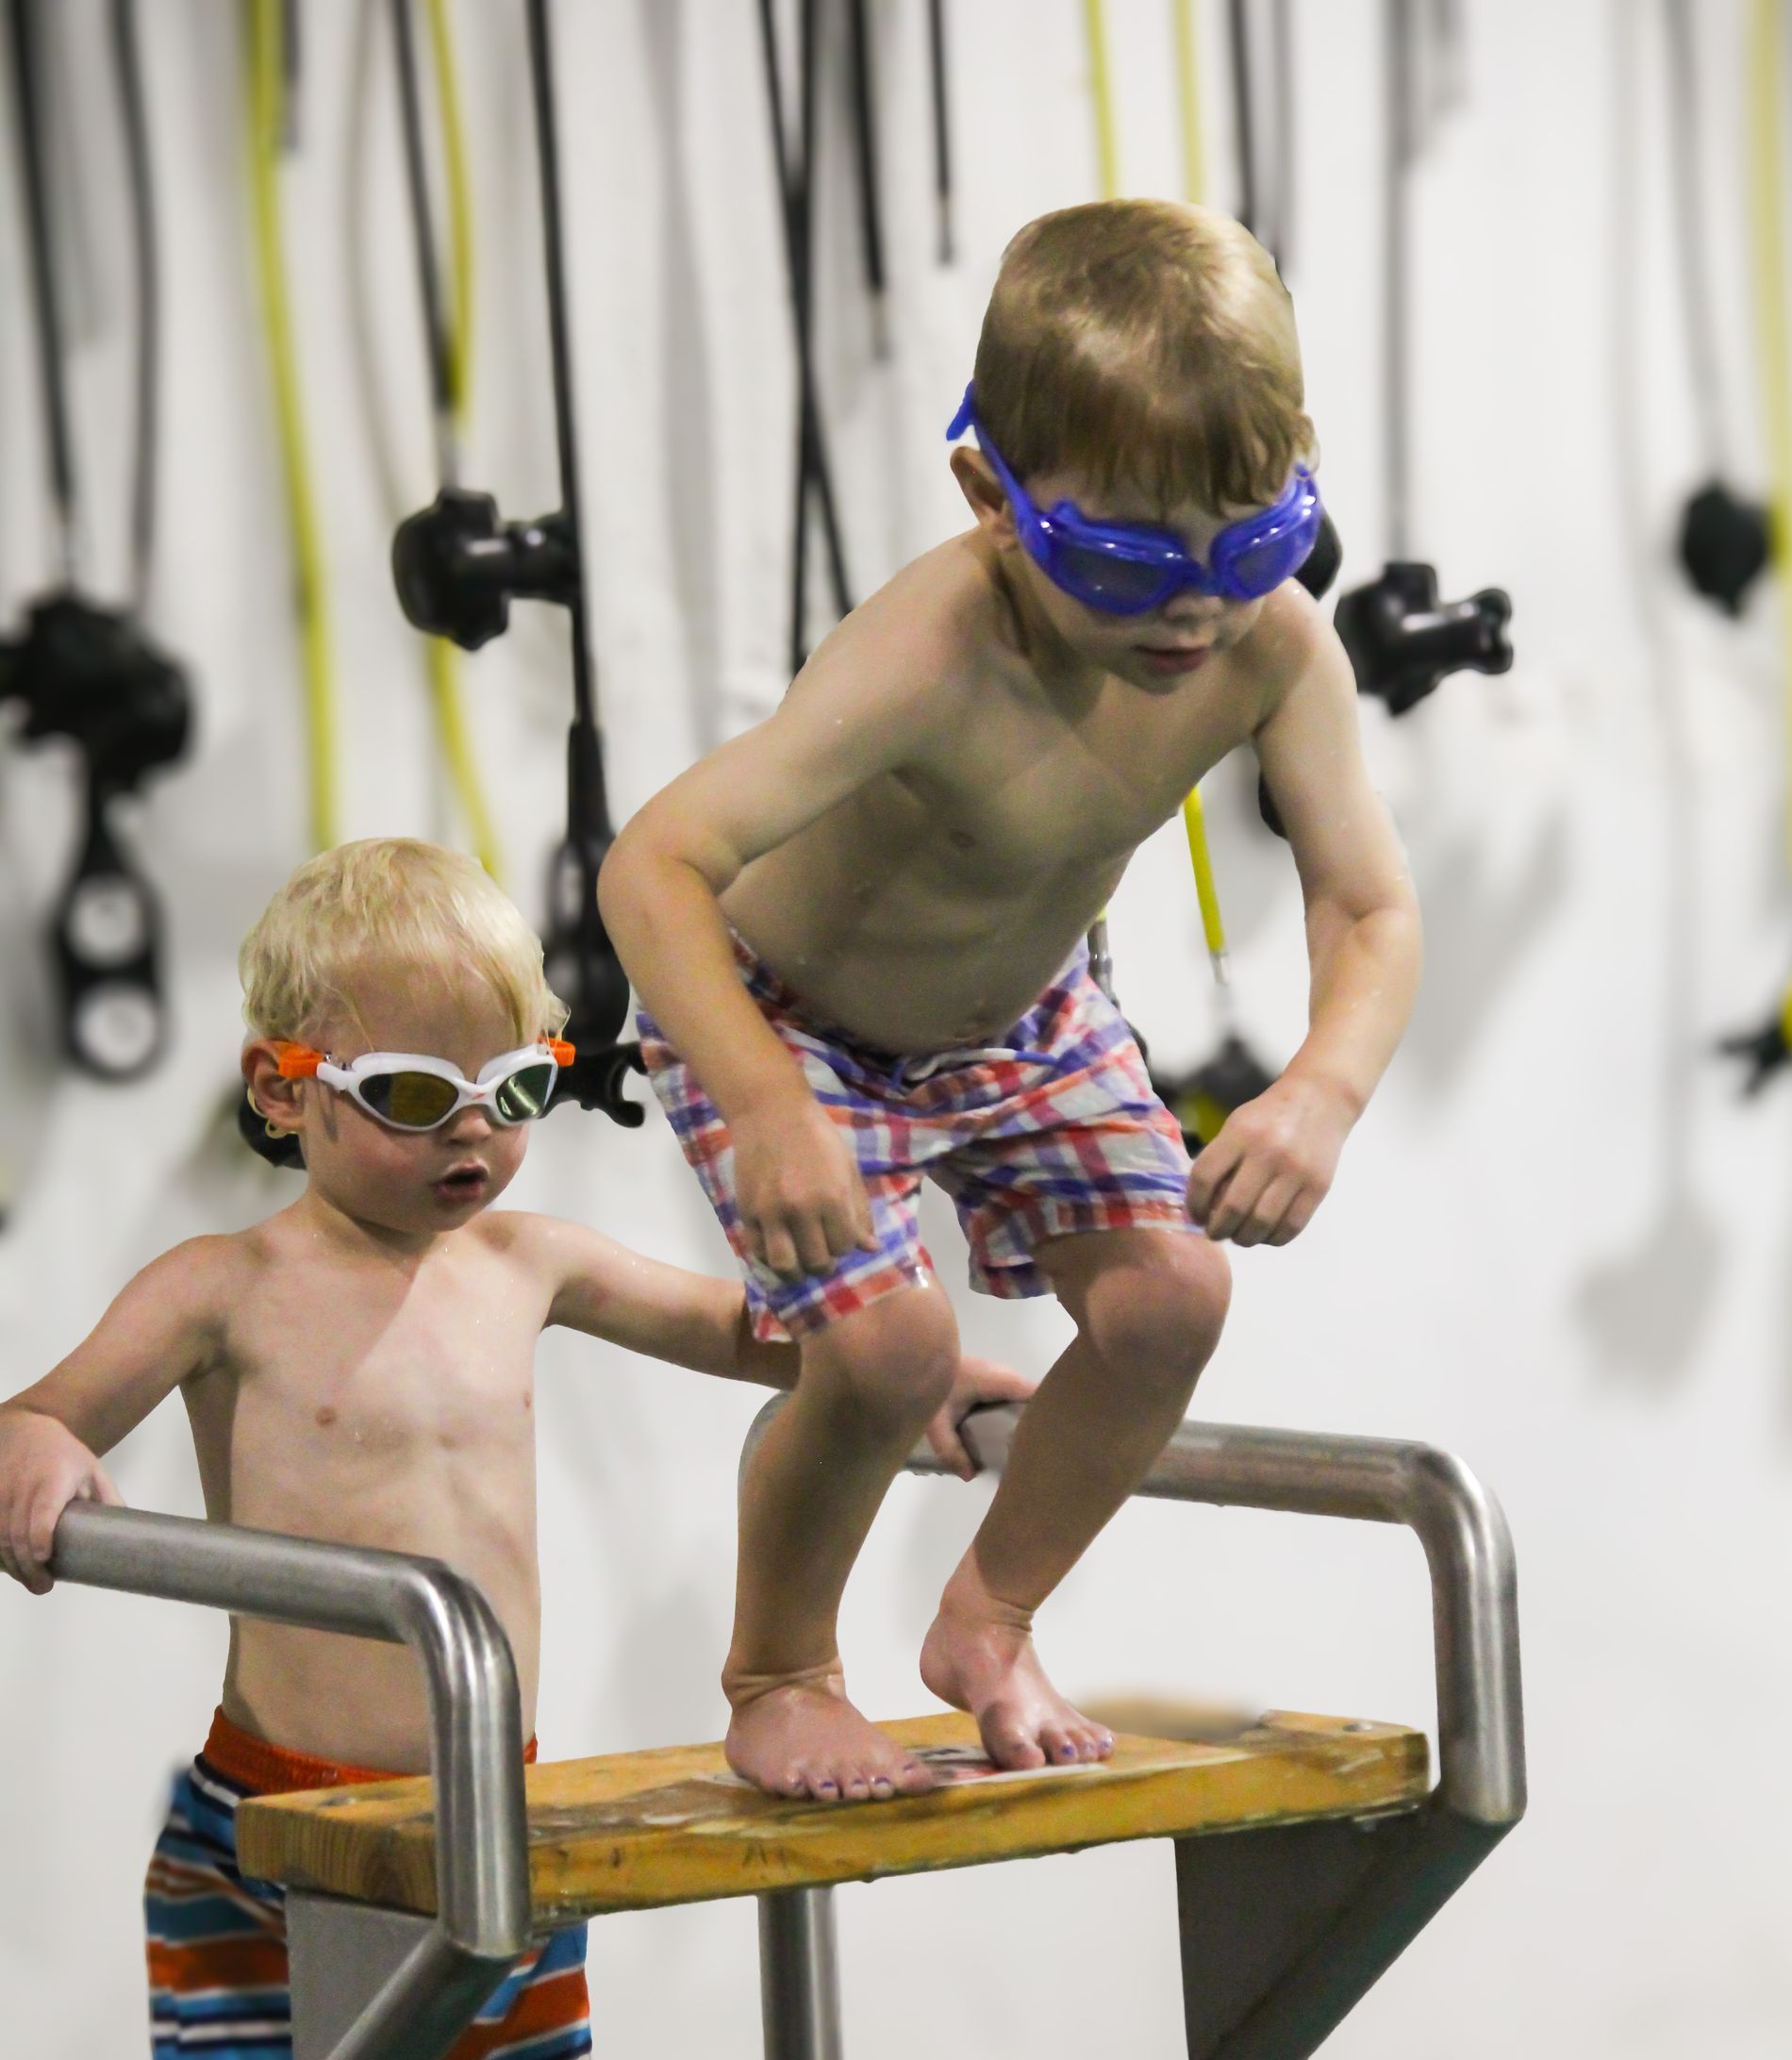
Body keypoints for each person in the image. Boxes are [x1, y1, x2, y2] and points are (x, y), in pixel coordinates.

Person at [597, 201, 1423, 1806]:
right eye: (1123, 556)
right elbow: (653, 869)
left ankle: (990, 1620)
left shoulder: (1272, 650)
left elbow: (1367, 902)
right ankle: (779, 1670)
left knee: (1173, 1301)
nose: (1192, 609)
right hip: (796, 1025)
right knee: (893, 1350)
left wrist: (1323, 1085)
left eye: (1251, 542)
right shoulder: (932, 651)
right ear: (993, 495)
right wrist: (766, 1104)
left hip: (1032, 1017)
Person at [0, 838, 1025, 2059]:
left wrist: (913, 1372)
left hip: (495, 1807)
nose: (472, 1135)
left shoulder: (530, 1260)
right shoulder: (222, 1288)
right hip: (273, 1821)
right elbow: (36, 1416)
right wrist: (41, 1446)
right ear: (280, 1091)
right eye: (417, 1097)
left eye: (517, 1091)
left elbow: (759, 1336)